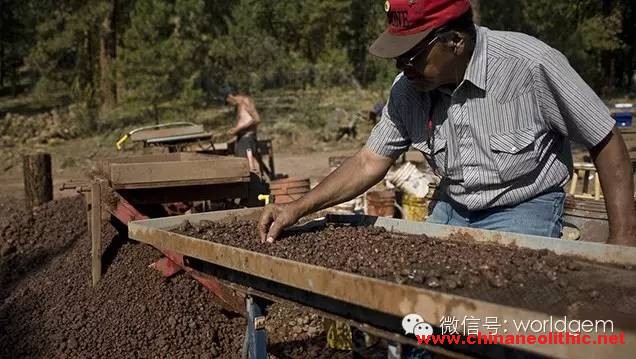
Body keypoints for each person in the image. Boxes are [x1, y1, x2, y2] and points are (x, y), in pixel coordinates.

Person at [259, 0, 636, 246]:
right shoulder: (409, 88)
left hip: (523, 206)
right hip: (452, 204)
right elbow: (367, 161)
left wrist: (622, 247)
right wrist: (298, 207)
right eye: (397, 58)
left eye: (411, 56)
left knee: (505, 322)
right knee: (419, 314)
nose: (401, 68)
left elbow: (605, 139)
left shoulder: (529, 65)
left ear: (455, 41)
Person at [222, 86, 261, 173]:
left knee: (249, 165)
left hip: (247, 139)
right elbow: (245, 120)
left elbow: (256, 119)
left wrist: (238, 129)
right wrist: (235, 130)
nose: (229, 105)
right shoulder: (239, 105)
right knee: (242, 166)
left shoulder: (245, 101)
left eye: (227, 102)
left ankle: (255, 184)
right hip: (242, 138)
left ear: (229, 97)